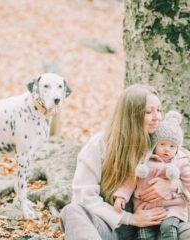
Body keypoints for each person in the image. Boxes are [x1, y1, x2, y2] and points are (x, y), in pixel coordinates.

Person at [60, 84, 190, 240]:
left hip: (160, 227)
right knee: (72, 211)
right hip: (112, 227)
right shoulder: (100, 144)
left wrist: (175, 186)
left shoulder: (164, 143)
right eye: (149, 112)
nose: (158, 117)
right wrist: (131, 218)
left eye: (159, 110)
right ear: (131, 115)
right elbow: (84, 196)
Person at [113, 110, 190, 240]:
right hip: (145, 210)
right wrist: (121, 197)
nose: (167, 149)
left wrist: (176, 186)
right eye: (162, 144)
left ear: (177, 148)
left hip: (172, 210)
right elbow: (129, 181)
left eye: (172, 146)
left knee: (168, 228)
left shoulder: (181, 162)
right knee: (144, 235)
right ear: (154, 144)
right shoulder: (144, 162)